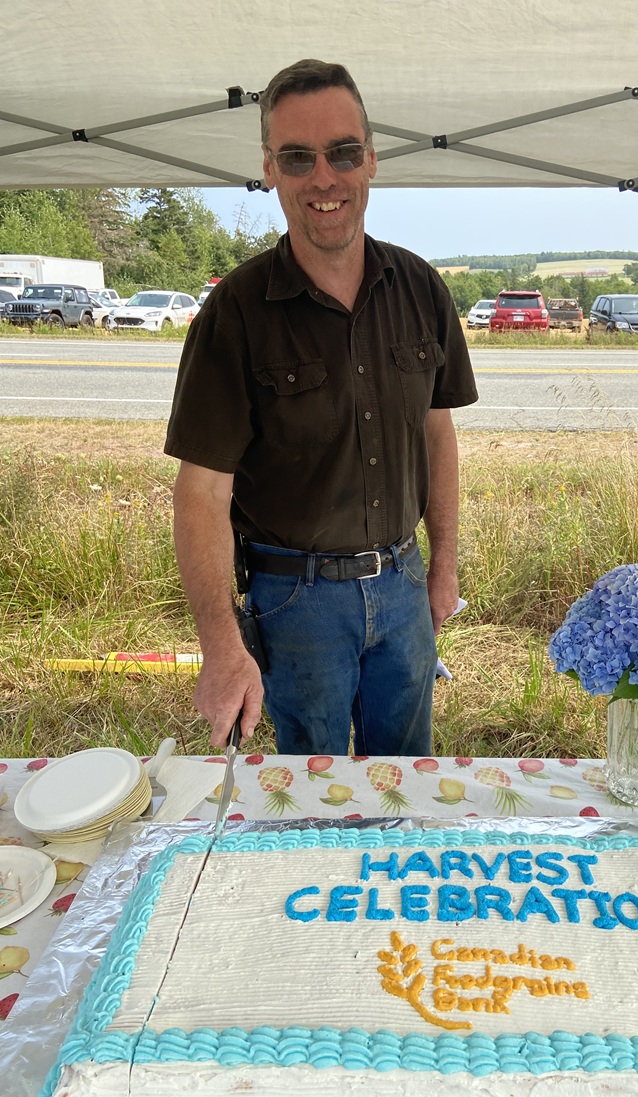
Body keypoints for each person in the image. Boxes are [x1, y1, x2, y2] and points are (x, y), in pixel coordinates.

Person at [165, 58, 478, 755]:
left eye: (341, 153)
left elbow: (437, 437)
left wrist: (442, 566)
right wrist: (221, 647)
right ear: (270, 169)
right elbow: (201, 492)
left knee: (405, 786)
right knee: (309, 798)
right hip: (293, 600)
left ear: (369, 159)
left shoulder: (421, 288)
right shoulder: (235, 313)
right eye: (297, 158)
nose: (323, 178)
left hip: (402, 584)